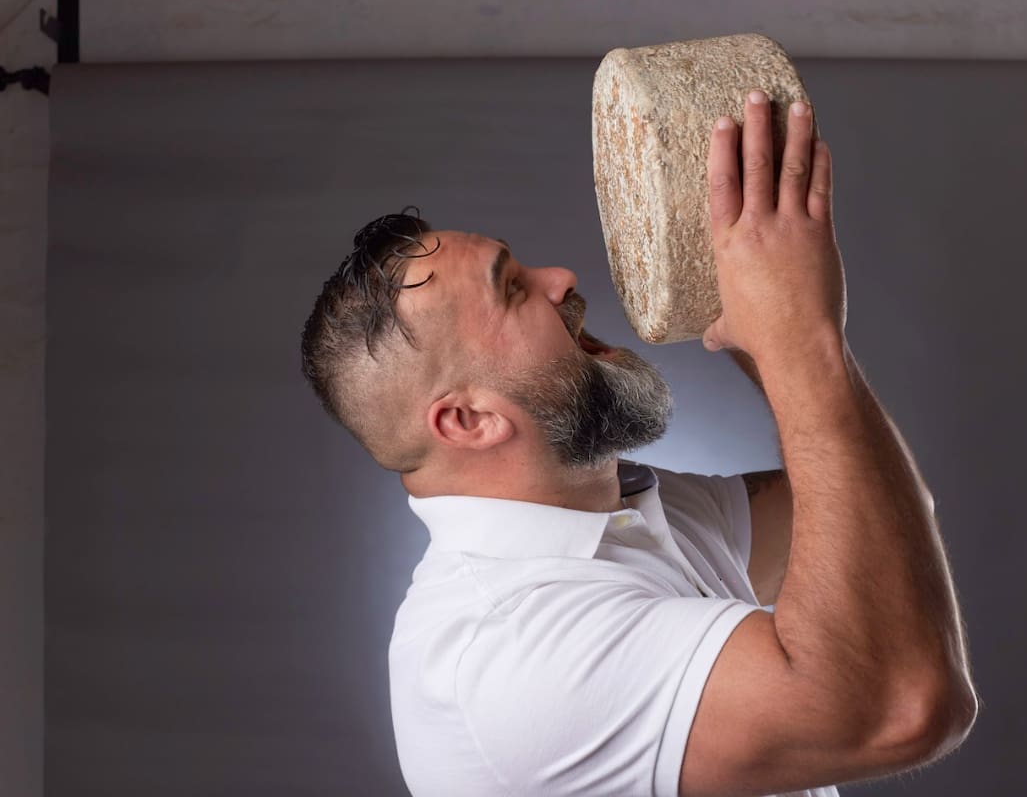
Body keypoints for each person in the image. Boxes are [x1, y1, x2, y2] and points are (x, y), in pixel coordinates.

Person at [300, 89, 978, 796]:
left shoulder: (625, 510)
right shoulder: (513, 654)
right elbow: (901, 708)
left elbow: (879, 515)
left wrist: (744, 305)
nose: (560, 279)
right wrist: (798, 339)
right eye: (512, 289)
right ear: (469, 421)